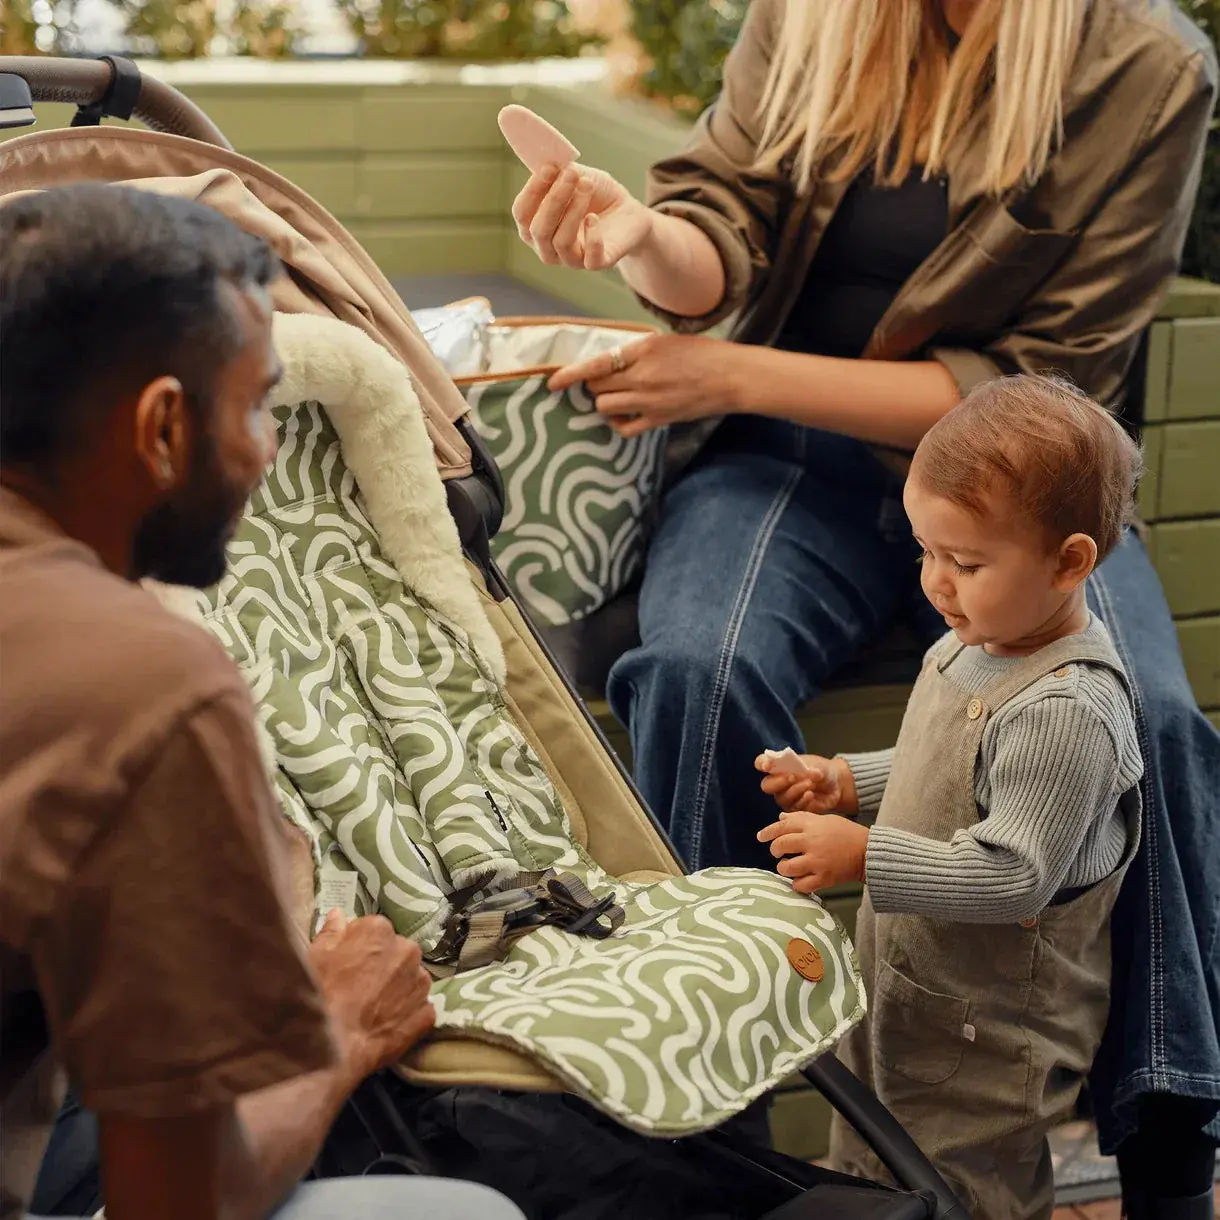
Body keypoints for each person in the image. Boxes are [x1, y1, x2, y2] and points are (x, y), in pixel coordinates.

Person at [509, 0, 1220, 1209]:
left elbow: (1052, 374)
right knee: (693, 663)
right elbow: (717, 226)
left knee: (1148, 714)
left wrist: (726, 368)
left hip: (1020, 474)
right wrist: (640, 234)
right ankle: (706, 1113)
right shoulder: (808, 15)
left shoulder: (1145, 68)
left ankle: (1164, 1124)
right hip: (788, 464)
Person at [0, 184, 525, 1220]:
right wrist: (340, 1030)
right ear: (159, 424)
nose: (271, 451)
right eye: (255, 407)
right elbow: (181, 1201)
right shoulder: (145, 683)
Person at [754, 374, 1141, 1219]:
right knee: (876, 1155)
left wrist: (864, 854)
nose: (936, 581)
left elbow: (1013, 873)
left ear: (1070, 561)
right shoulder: (984, 635)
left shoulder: (1067, 708)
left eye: (965, 562)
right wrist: (848, 781)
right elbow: (953, 765)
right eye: (926, 551)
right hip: (915, 991)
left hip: (989, 1036)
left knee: (963, 1185)